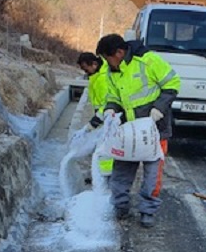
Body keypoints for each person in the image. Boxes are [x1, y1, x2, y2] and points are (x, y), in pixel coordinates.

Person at [95, 33, 180, 228]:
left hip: (155, 128)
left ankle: (147, 211)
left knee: (152, 174)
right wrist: (111, 108)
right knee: (121, 171)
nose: (107, 63)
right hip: (129, 131)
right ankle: (120, 207)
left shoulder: (147, 60)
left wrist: (159, 108)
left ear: (119, 52)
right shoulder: (111, 71)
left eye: (108, 58)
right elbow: (113, 96)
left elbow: (173, 83)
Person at [76, 52, 113, 176]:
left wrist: (96, 120)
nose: (85, 72)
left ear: (94, 64)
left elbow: (108, 103)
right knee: (100, 146)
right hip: (102, 116)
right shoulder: (95, 76)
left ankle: (105, 177)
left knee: (105, 148)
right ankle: (99, 173)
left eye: (86, 69)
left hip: (107, 117)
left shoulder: (102, 79)